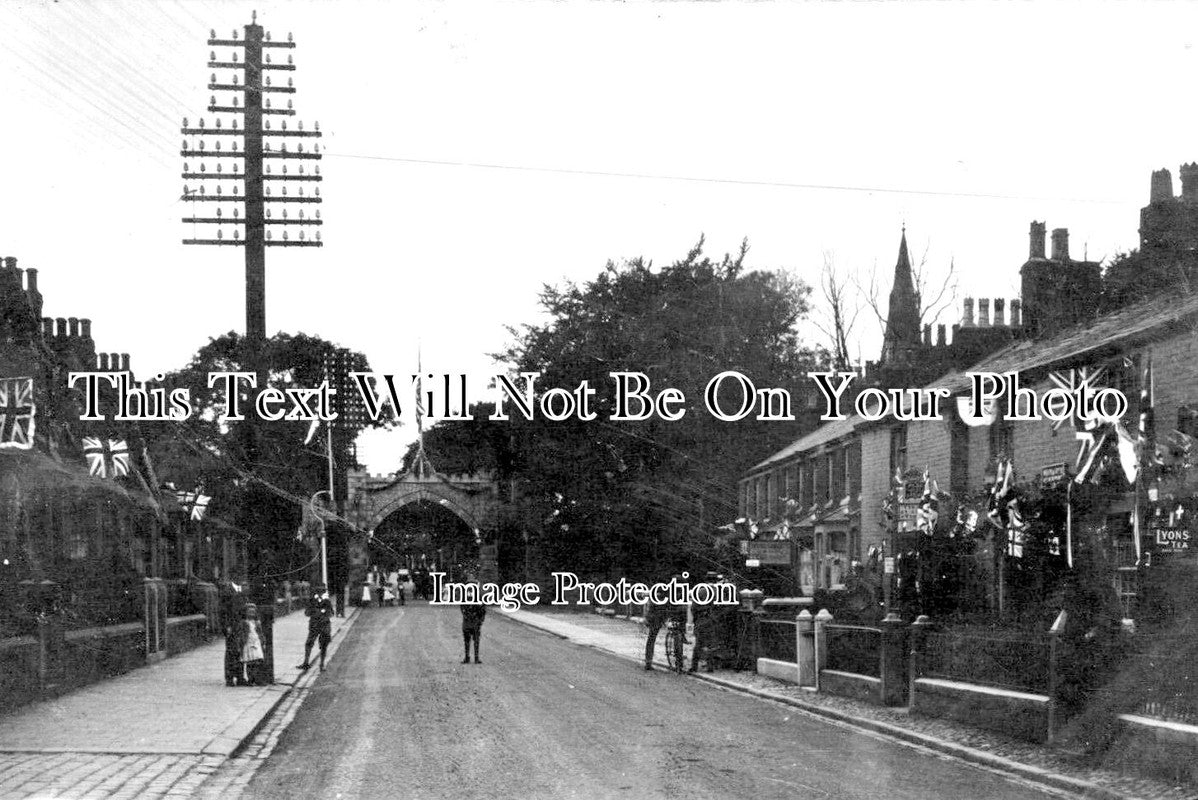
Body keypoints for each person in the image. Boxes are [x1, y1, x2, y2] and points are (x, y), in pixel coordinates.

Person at [644, 567, 690, 671]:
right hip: (659, 615)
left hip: (663, 614)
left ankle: (649, 661)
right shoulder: (667, 591)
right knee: (653, 637)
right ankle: (649, 661)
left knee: (652, 638)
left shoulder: (670, 590)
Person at [297, 586, 335, 671]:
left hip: (324, 626)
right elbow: (306, 613)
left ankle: (322, 664)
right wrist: (319, 612)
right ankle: (306, 663)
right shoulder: (312, 601)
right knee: (309, 644)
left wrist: (321, 613)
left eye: (322, 592)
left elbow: (331, 613)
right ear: (316, 593)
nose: (320, 594)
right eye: (319, 592)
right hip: (314, 625)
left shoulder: (327, 601)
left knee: (323, 645)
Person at [219, 581, 247, 687]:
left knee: (241, 652)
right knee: (231, 651)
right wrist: (226, 626)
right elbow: (223, 610)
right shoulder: (227, 590)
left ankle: (240, 677)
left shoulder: (242, 589)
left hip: (240, 626)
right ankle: (229, 678)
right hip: (232, 626)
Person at [460, 575, 486, 664]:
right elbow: (483, 609)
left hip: (471, 621)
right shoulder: (477, 595)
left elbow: (482, 609)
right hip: (472, 621)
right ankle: (473, 657)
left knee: (469, 641)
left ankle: (470, 657)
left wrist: (480, 619)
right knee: (474, 640)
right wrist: (480, 619)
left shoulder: (468, 595)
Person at [240, 603, 266, 685]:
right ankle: (250, 679)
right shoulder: (244, 623)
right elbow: (242, 634)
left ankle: (258, 679)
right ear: (246, 613)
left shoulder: (257, 623)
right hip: (248, 642)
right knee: (250, 662)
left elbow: (260, 633)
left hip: (256, 642)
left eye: (253, 612)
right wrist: (241, 644)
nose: (251, 614)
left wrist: (263, 641)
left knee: (258, 661)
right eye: (249, 612)